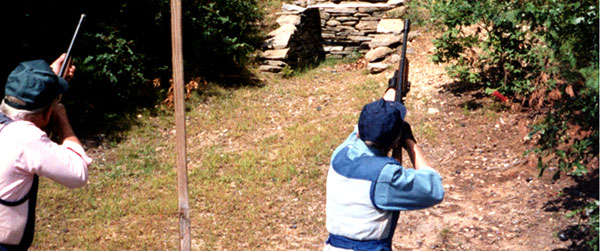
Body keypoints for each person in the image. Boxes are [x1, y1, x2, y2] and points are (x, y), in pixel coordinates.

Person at [324, 86, 444, 251]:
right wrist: (410, 142)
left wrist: (393, 88)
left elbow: (366, 127)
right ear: (396, 141)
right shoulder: (386, 175)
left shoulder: (342, 153)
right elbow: (434, 189)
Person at [0, 54, 92, 250]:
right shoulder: (26, 138)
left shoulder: (6, 119)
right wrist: (62, 121)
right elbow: (78, 174)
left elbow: (25, 95)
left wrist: (49, 77)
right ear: (48, 113)